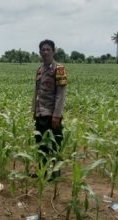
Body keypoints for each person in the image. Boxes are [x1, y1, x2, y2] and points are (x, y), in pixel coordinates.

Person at [32, 39, 67, 178]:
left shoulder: (59, 69)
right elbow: (36, 91)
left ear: (53, 51)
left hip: (52, 114)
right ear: (40, 52)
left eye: (48, 49)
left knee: (54, 143)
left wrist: (57, 115)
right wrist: (34, 110)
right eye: (43, 50)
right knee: (41, 144)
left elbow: (61, 94)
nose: (45, 52)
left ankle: (55, 172)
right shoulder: (40, 69)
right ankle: (42, 171)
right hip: (41, 113)